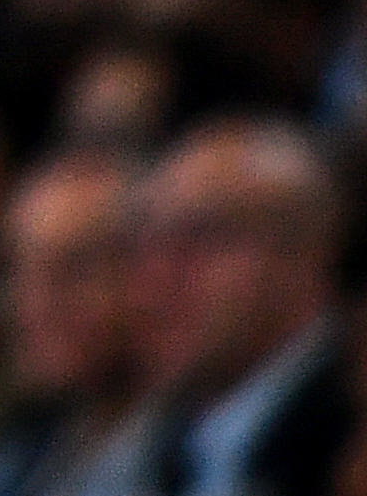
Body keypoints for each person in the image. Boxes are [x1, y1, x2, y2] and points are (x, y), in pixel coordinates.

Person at [121, 123, 347, 496]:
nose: (158, 276)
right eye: (147, 242)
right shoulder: (172, 446)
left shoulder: (347, 436)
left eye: (200, 235)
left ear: (305, 251)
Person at [0, 155, 146, 496]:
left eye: (75, 269)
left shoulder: (182, 461)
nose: (33, 305)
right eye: (15, 272)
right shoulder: (9, 462)